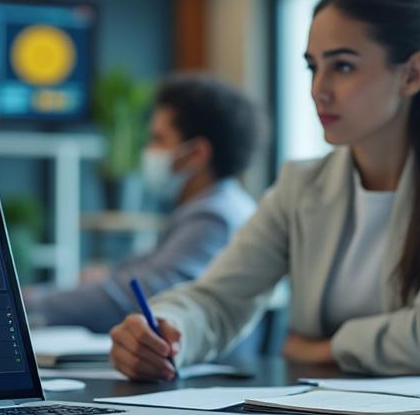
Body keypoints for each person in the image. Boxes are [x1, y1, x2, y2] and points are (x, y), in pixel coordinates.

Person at [109, 0, 420, 380]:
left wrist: (325, 347)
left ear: (412, 74)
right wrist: (166, 329)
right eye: (313, 67)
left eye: (343, 67)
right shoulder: (302, 185)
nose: (319, 89)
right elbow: (218, 299)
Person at [23, 72, 262, 334]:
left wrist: (27, 302)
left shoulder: (213, 217)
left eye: (158, 139)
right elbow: (139, 274)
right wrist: (104, 277)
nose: (148, 151)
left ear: (196, 154)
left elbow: (130, 298)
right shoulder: (211, 207)